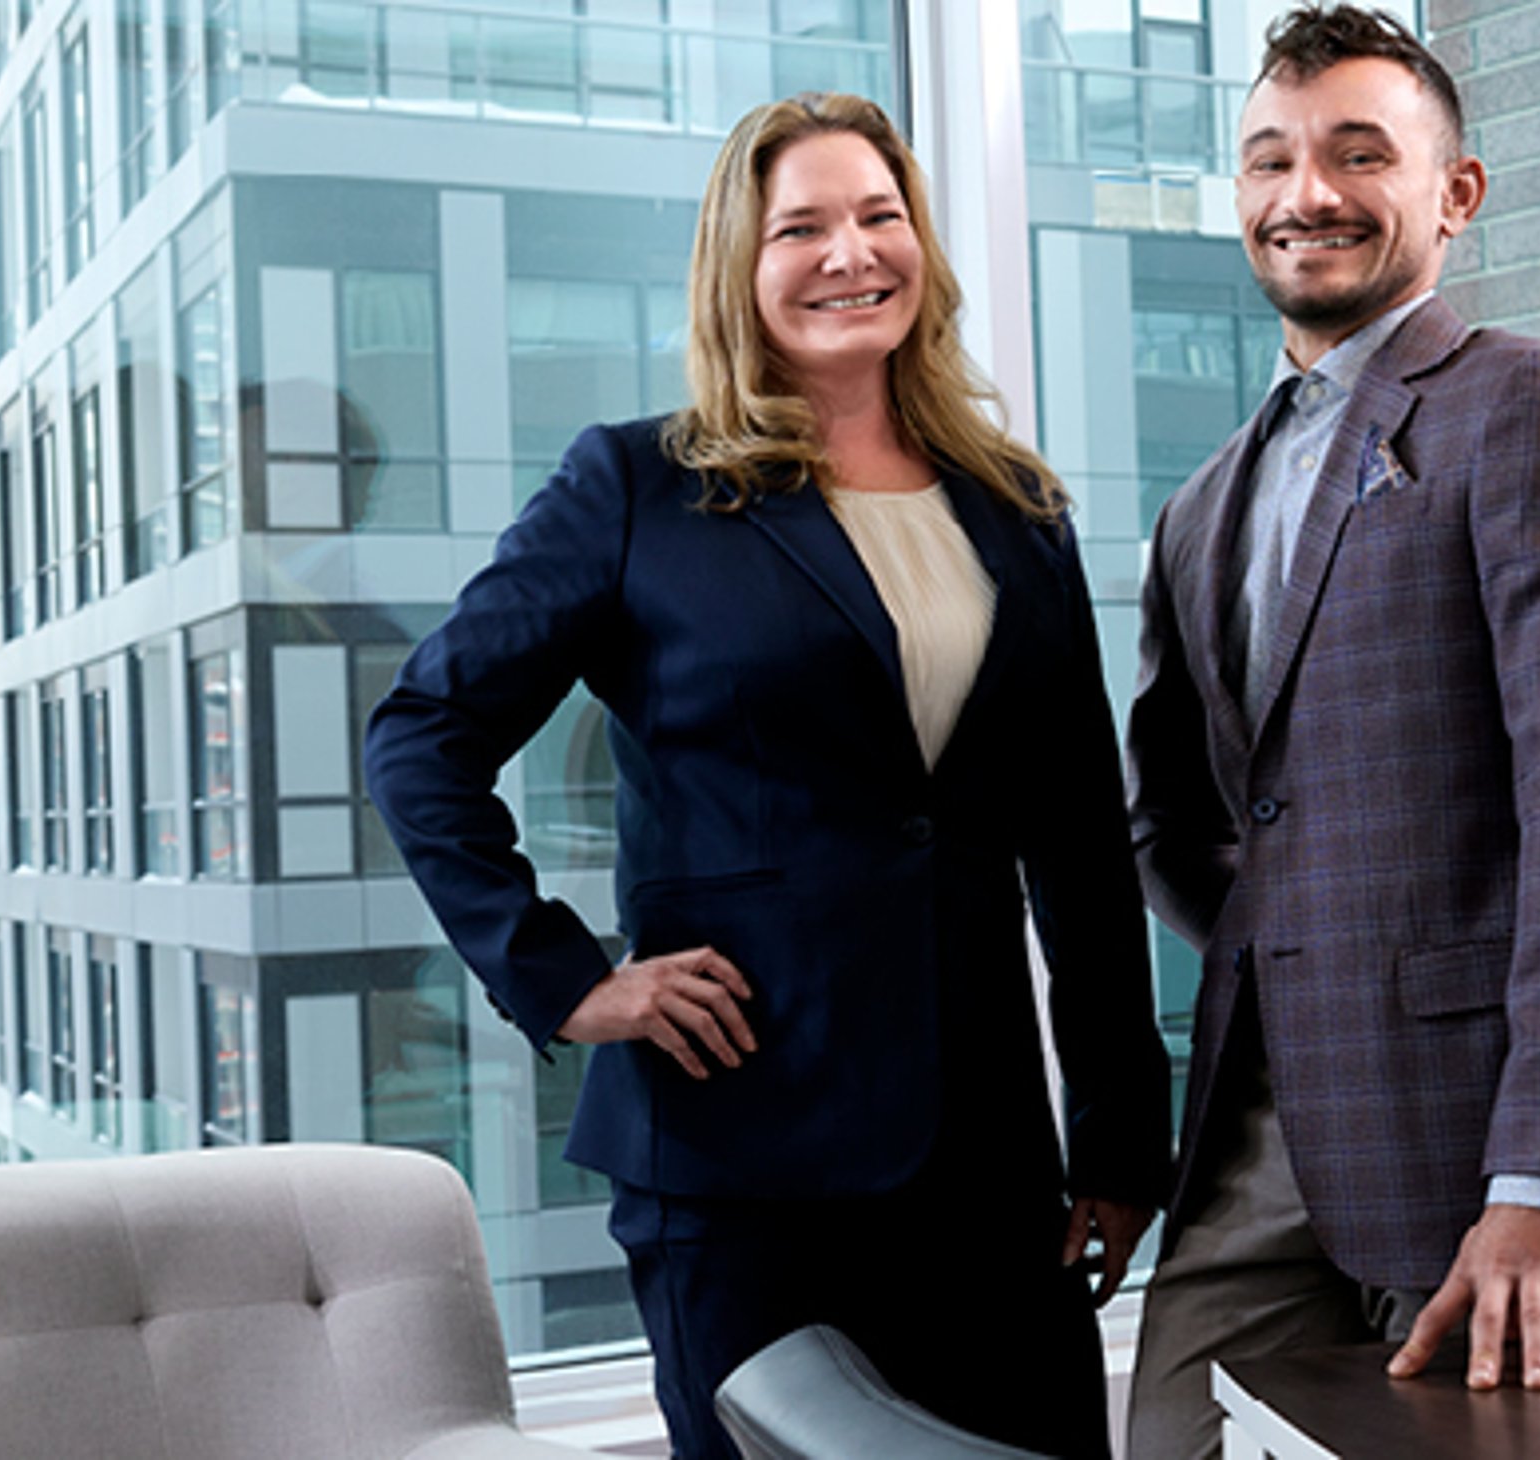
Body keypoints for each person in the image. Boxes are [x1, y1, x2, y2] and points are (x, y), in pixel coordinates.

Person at [364, 92, 1169, 1460]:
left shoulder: (1016, 511)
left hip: (985, 1172)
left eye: (880, 216)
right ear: (742, 265)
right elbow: (420, 739)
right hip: (743, 1165)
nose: (850, 253)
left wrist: (1115, 1139)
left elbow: (1082, 845)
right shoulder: (635, 488)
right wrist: (566, 978)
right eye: (802, 226)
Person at [1121, 8, 1540, 1455]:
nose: (1309, 195)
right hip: (1261, 1125)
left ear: (1455, 193)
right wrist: (1305, 953)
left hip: (1478, 1136)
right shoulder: (1203, 499)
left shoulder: (1534, 401)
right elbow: (1173, 814)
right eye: (1271, 159)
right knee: (1168, 1436)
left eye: (1359, 154)